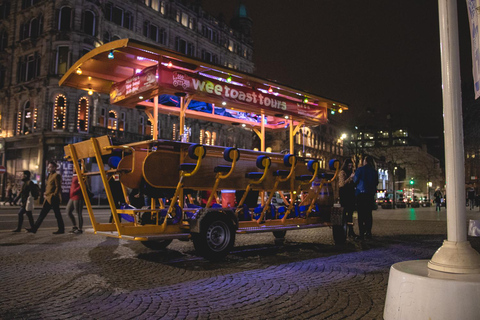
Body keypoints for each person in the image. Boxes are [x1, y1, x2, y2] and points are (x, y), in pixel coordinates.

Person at [26, 161, 65, 234]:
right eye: (49, 167)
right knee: (43, 214)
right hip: (48, 197)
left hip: (53, 198)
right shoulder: (49, 175)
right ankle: (34, 228)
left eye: (51, 167)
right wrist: (45, 193)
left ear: (55, 167)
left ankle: (61, 229)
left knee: (57, 214)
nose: (49, 168)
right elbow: (49, 186)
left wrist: (54, 195)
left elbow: (58, 186)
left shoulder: (56, 175)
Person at [353, 155, 378, 240]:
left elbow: (355, 180)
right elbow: (376, 182)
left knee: (361, 214)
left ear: (365, 161)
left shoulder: (360, 170)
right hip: (370, 194)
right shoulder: (374, 171)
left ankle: (361, 234)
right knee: (368, 214)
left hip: (361, 194)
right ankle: (368, 232)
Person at [338, 158, 357, 238]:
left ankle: (351, 230)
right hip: (345, 195)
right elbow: (342, 184)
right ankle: (344, 230)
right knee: (345, 212)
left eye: (351, 165)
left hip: (350, 194)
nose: (350, 167)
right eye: (349, 165)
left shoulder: (351, 172)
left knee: (350, 213)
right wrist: (350, 178)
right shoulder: (342, 172)